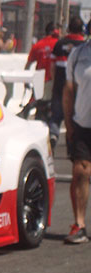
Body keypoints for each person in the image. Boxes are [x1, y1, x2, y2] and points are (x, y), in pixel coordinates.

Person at [62, 39, 91, 244]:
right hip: (82, 124)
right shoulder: (78, 54)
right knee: (80, 172)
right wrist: (68, 122)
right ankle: (79, 224)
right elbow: (69, 90)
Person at [48, 16, 86, 149]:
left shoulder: (59, 44)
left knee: (56, 116)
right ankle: (72, 144)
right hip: (77, 89)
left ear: (69, 28)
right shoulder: (83, 46)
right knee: (75, 118)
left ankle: (53, 135)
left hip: (59, 85)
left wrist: (55, 82)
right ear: (82, 30)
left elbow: (52, 66)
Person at [10, 22, 61, 112]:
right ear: (54, 31)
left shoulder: (38, 45)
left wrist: (26, 81)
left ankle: (28, 112)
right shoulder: (59, 44)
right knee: (51, 106)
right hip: (53, 81)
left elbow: (28, 65)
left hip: (39, 80)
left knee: (38, 104)